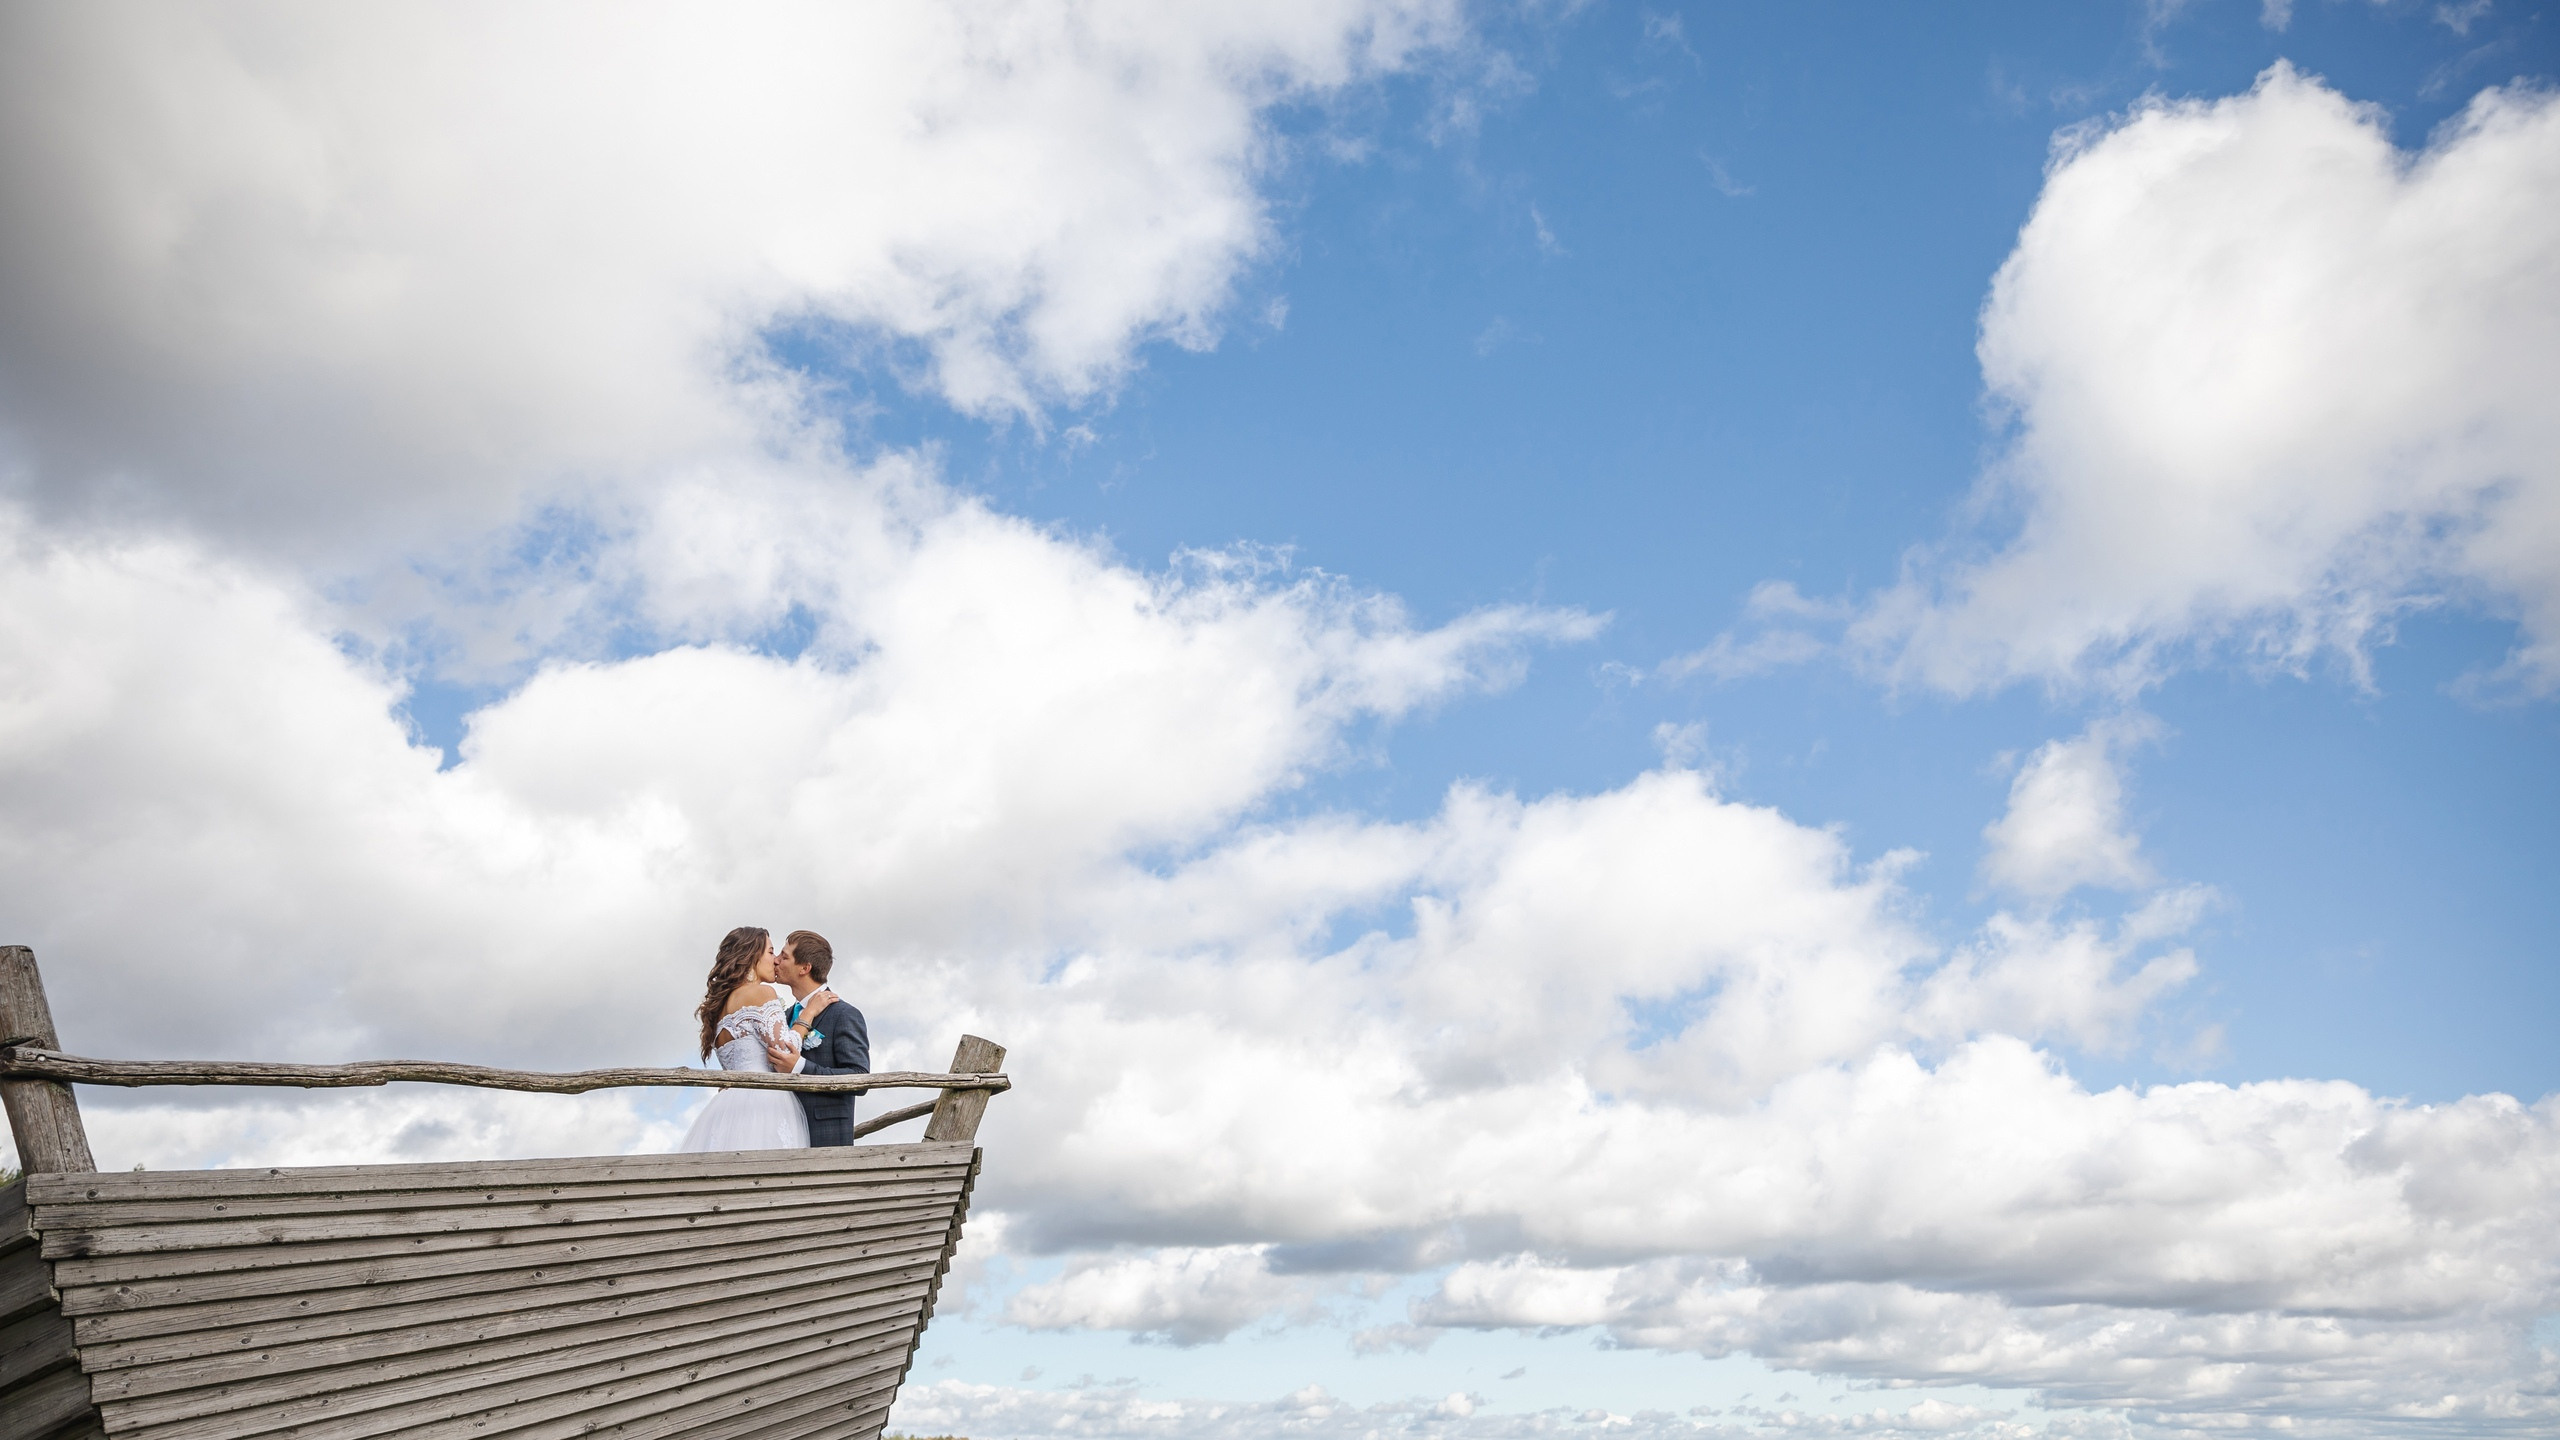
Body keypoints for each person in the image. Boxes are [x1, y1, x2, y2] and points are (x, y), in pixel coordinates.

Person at [676, 926, 810, 1152]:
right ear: (752, 956)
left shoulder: (719, 1008)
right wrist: (808, 1015)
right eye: (770, 952)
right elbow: (785, 1052)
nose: (775, 960)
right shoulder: (761, 993)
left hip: (727, 1108)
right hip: (763, 1103)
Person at [763, 929, 871, 1146]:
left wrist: (800, 1067)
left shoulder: (843, 1014)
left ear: (805, 968)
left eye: (784, 957)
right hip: (782, 1136)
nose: (776, 961)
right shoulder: (781, 1017)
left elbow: (860, 1079)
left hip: (823, 1138)